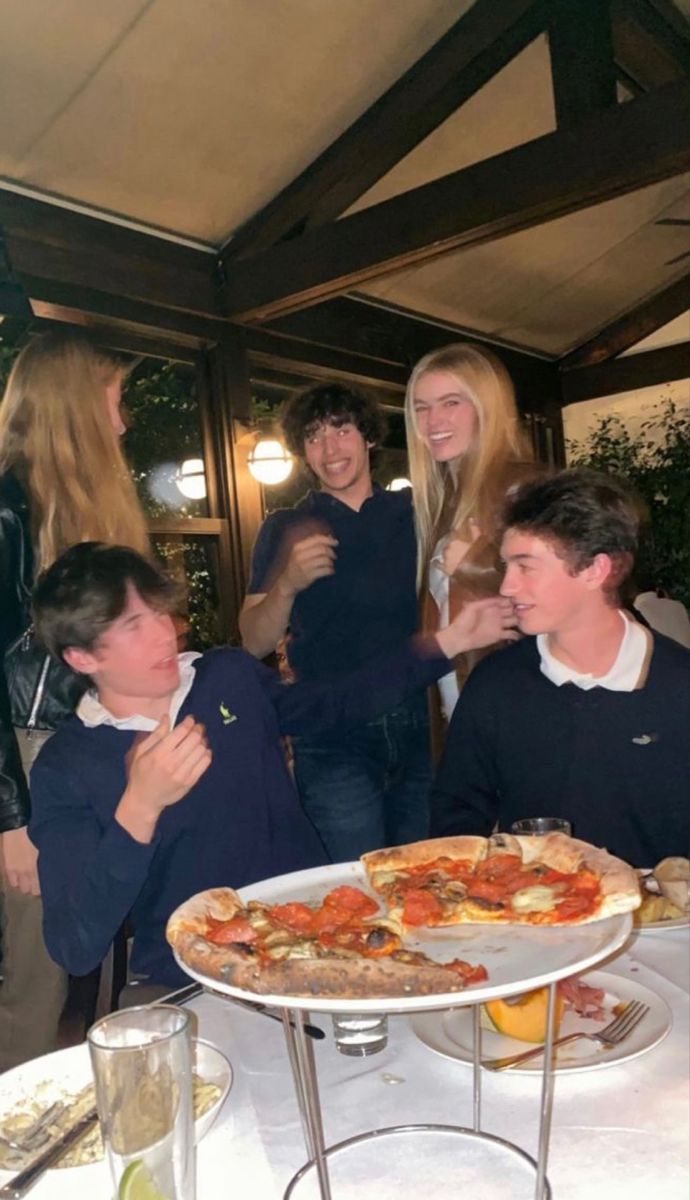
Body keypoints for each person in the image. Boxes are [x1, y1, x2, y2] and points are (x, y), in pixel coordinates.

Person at [29, 542, 516, 992]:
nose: (162, 634)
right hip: (198, 977)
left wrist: (448, 642)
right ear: (82, 656)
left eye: (158, 612)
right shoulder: (67, 766)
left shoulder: (225, 677)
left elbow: (335, 702)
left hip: (323, 940)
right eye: (133, 626)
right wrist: (138, 809)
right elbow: (74, 945)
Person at [0, 329, 150, 1069]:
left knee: (80, 958)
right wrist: (11, 820)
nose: (123, 424)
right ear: (76, 408)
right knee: (37, 978)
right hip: (27, 767)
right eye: (115, 402)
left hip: (74, 750)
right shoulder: (6, 510)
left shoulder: (57, 508)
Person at [430, 469, 690, 868]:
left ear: (594, 570)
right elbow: (456, 820)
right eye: (507, 566)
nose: (507, 586)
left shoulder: (678, 687)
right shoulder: (496, 686)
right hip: (539, 919)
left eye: (526, 567)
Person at [240, 382, 432, 862]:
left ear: (368, 436)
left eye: (342, 430)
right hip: (331, 732)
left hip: (421, 723)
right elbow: (251, 640)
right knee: (351, 890)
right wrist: (287, 582)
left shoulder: (416, 513)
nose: (330, 449)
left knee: (431, 882)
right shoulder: (285, 525)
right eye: (314, 437)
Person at [405, 343, 537, 733]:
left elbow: (574, 597)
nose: (433, 421)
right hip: (464, 716)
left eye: (451, 403)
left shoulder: (523, 488)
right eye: (421, 408)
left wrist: (478, 564)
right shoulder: (444, 506)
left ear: (485, 407)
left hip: (518, 716)